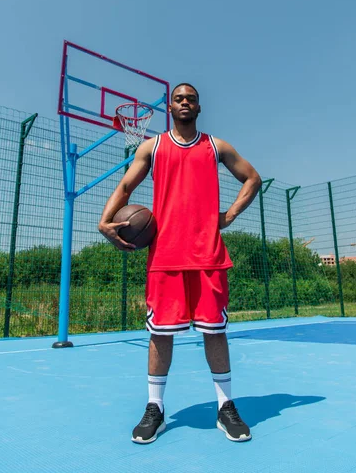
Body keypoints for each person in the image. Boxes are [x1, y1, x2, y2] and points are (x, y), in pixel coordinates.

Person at [99, 83, 261, 444]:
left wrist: (230, 215)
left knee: (214, 331)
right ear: (170, 107)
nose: (184, 102)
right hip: (166, 256)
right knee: (160, 334)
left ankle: (226, 407)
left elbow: (252, 178)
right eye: (178, 98)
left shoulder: (215, 147)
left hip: (207, 255)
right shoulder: (152, 147)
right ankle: (155, 407)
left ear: (199, 107)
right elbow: (125, 187)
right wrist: (103, 221)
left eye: (190, 98)